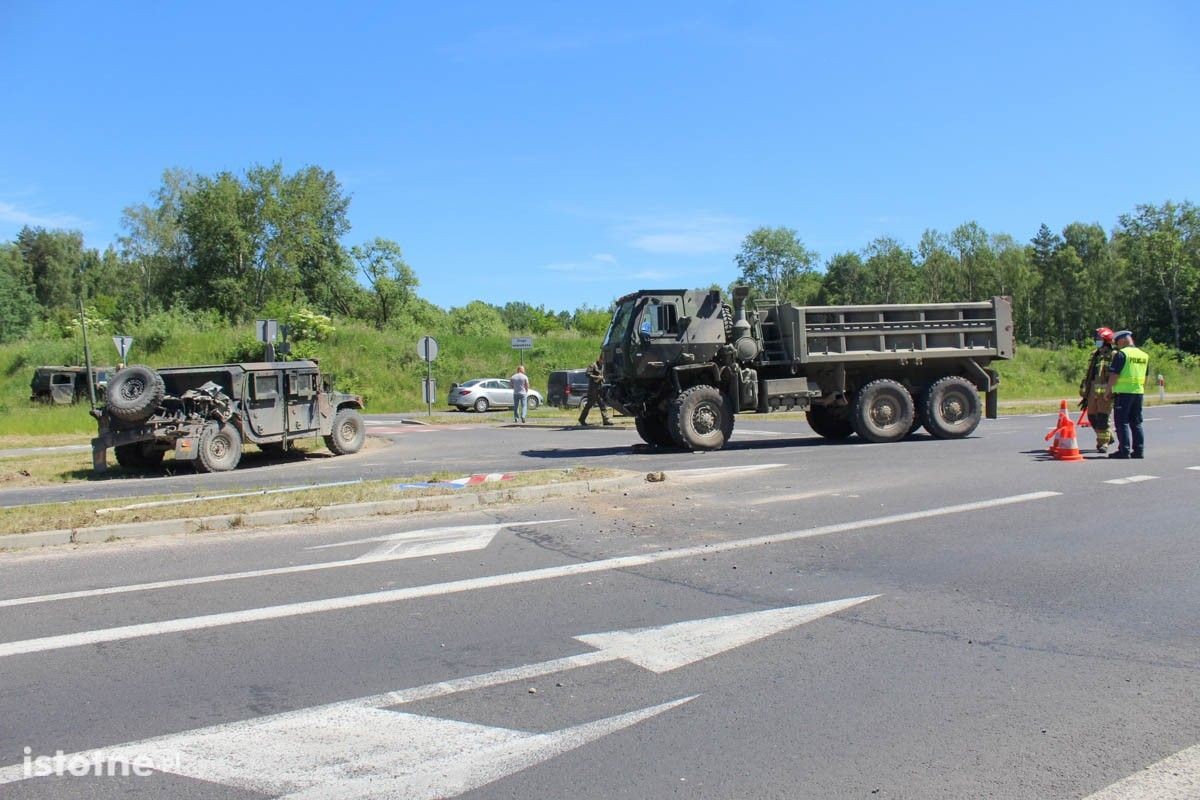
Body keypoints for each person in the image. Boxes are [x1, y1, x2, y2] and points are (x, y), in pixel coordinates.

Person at [1105, 330, 1149, 459]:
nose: (1117, 345)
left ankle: (1124, 451)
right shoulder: (1144, 355)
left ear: (1123, 340)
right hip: (1138, 392)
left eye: (1117, 342)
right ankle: (1139, 451)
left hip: (1123, 393)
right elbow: (1146, 377)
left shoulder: (1122, 354)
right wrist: (1141, 390)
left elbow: (1114, 375)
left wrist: (1108, 391)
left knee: (1121, 422)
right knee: (1136, 422)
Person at [1079, 327, 1116, 452]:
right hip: (1093, 389)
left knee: (1103, 417)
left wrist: (1111, 390)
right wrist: (1085, 386)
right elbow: (1090, 372)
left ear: (1106, 340)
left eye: (1099, 338)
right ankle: (1108, 436)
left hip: (1107, 390)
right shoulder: (1095, 354)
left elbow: (1115, 375)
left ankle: (1103, 443)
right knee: (1091, 416)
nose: (1096, 340)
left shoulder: (1114, 355)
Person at [578, 355, 613, 426]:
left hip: (600, 388)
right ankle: (582, 419)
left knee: (602, 404)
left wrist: (603, 379)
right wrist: (598, 377)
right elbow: (587, 374)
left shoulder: (602, 366)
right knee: (589, 405)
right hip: (593, 389)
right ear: (600, 359)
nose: (603, 362)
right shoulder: (593, 365)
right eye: (603, 360)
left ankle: (606, 420)